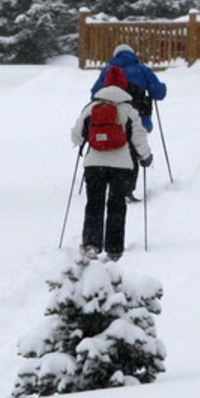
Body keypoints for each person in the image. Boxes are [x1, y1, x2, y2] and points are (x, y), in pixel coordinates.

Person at [71, 65, 153, 261]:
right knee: (117, 205)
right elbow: (138, 137)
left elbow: (76, 136)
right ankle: (114, 248)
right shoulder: (128, 109)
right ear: (123, 87)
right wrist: (146, 157)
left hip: (93, 164)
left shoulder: (91, 108)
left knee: (94, 204)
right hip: (122, 165)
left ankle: (91, 244)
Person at [91, 44, 166, 133]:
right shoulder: (143, 70)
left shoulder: (108, 70)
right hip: (140, 120)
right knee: (138, 142)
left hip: (113, 120)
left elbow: (95, 96)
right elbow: (158, 93)